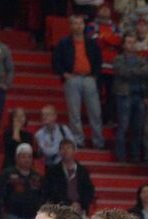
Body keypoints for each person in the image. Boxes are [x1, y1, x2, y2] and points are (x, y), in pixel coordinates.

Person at [53, 13, 105, 150]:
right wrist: (64, 74)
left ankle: (98, 141)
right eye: (75, 23)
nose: (78, 26)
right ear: (70, 26)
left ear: (84, 25)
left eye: (80, 23)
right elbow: (55, 61)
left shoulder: (91, 42)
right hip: (72, 79)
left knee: (95, 112)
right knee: (74, 113)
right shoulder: (63, 43)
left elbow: (99, 61)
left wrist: (94, 75)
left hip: (89, 78)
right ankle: (78, 141)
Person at [111, 33, 148, 165]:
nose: (131, 45)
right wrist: (136, 72)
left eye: (133, 42)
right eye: (128, 42)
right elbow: (121, 72)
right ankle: (120, 156)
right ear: (123, 45)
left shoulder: (142, 59)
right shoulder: (118, 59)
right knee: (123, 126)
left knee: (137, 127)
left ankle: (135, 156)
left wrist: (131, 72)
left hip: (139, 96)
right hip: (124, 95)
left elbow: (147, 71)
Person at [0, 143, 43, 219]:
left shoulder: (37, 176)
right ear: (17, 158)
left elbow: (42, 197)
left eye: (29, 157)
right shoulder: (7, 174)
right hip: (13, 217)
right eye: (23, 157)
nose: (27, 160)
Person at [42, 139, 96, 215]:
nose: (66, 151)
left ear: (74, 151)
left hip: (80, 210)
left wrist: (80, 204)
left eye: (68, 148)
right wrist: (69, 204)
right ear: (59, 152)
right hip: (59, 211)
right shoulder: (53, 171)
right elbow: (52, 192)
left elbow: (89, 190)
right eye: (63, 148)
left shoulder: (82, 170)